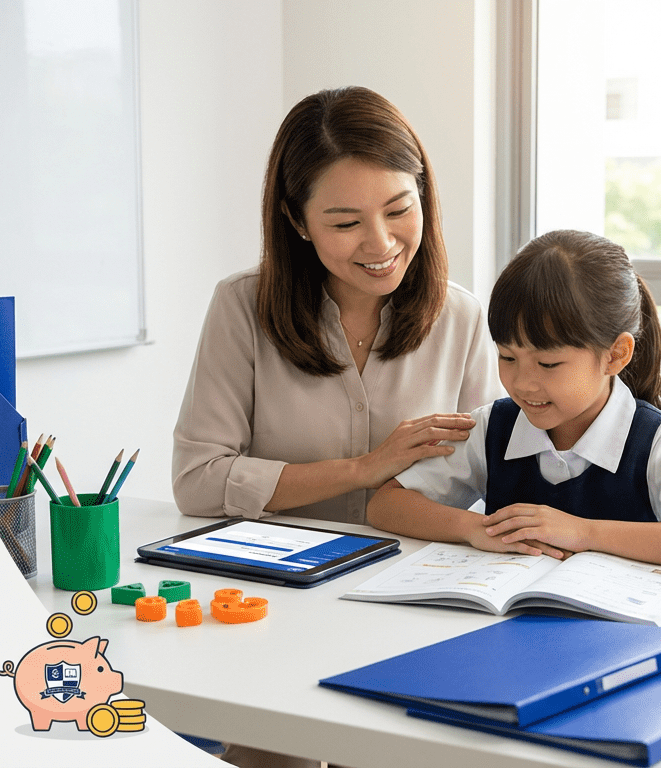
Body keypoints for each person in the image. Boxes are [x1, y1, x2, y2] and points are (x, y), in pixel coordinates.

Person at [172, 86, 502, 527]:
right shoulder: (241, 307)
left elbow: (488, 473)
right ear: (297, 221)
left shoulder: (461, 316)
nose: (381, 243)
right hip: (279, 580)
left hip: (411, 575)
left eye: (399, 209)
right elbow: (197, 482)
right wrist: (363, 469)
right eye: (346, 222)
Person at [367, 229, 661, 573]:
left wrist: (585, 533)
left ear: (615, 355)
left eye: (548, 363)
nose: (522, 383)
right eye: (507, 357)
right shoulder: (493, 428)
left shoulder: (656, 442)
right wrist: (477, 530)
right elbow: (385, 506)